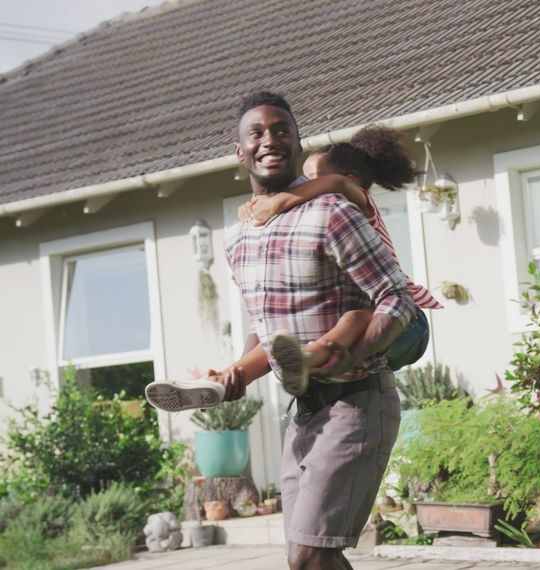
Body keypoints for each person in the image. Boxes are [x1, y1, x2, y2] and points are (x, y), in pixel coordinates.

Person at [146, 91, 413, 570]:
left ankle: (317, 358)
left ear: (296, 141)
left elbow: (397, 299)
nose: (270, 140)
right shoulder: (238, 239)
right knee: (307, 557)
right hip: (303, 410)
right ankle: (223, 382)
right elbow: (265, 329)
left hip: (357, 400)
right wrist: (236, 373)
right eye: (257, 133)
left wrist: (352, 357)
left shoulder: (333, 212)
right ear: (239, 150)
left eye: (281, 130)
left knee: (309, 555)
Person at [234, 126, 443, 396]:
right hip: (369, 324)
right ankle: (232, 377)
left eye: (311, 180)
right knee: (290, 327)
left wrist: (278, 202)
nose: (302, 187)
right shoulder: (319, 220)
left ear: (352, 180)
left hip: (408, 322)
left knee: (354, 317)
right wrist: (253, 207)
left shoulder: (359, 203)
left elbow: (338, 185)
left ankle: (307, 359)